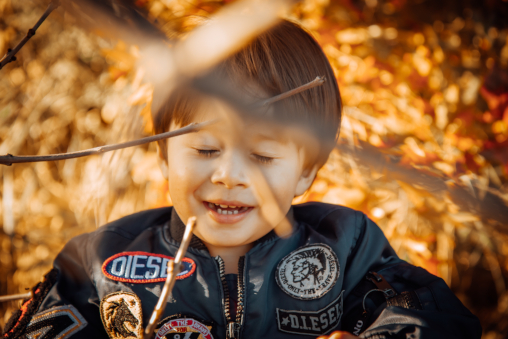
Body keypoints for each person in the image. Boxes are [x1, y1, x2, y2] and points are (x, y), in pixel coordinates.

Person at [3, 20, 481, 339]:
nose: (229, 174)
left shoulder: (346, 247)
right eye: (205, 149)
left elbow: (432, 318)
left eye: (262, 155)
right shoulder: (103, 260)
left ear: (306, 171)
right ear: (165, 155)